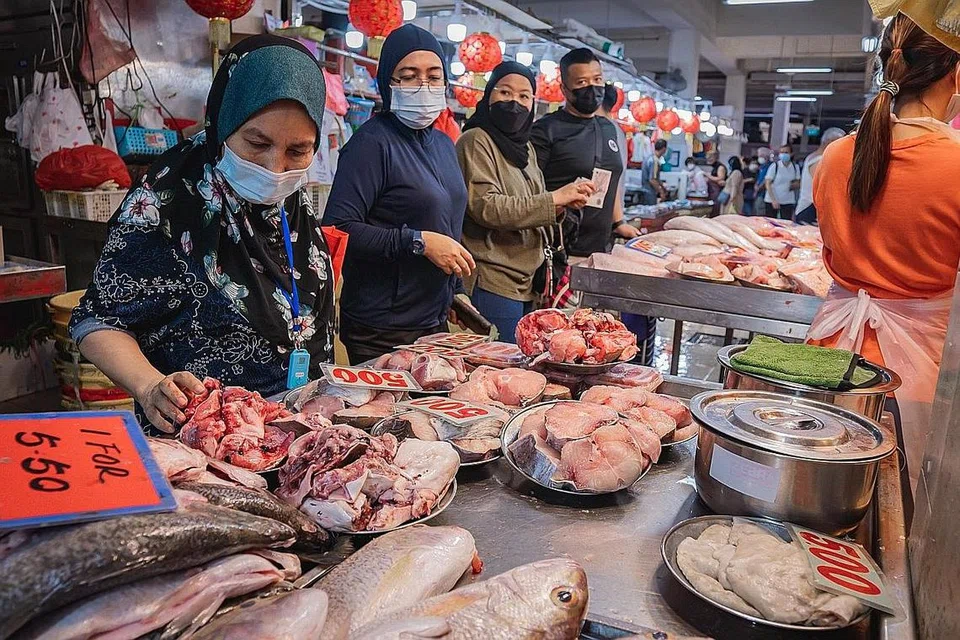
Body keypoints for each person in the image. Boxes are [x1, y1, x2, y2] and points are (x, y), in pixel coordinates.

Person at [69, 35, 336, 432]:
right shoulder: (168, 200)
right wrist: (151, 386)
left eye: (297, 151)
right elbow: (97, 322)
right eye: (256, 142)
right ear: (224, 121)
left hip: (298, 437)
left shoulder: (293, 203)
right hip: (202, 444)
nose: (274, 167)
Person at [805, 13, 960, 489]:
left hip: (828, 358)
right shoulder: (955, 162)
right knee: (896, 521)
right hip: (917, 377)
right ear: (954, 74)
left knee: (815, 498)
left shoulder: (836, 155)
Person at [323, 25, 475, 364]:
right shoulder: (370, 145)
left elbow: (446, 222)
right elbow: (338, 228)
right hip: (382, 326)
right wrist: (417, 242)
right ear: (388, 83)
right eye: (409, 75)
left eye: (434, 76)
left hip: (432, 319)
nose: (424, 85)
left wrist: (455, 293)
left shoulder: (444, 145)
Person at [456, 62, 594, 342]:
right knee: (499, 370)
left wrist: (560, 205)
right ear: (488, 96)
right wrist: (555, 197)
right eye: (504, 93)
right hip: (493, 280)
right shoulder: (475, 141)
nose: (514, 103)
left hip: (528, 280)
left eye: (523, 96)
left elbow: (530, 200)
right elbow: (486, 207)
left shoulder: (526, 147)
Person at [531, 47, 638, 263]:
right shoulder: (545, 130)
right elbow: (530, 189)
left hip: (601, 250)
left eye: (597, 79)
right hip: (559, 252)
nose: (591, 87)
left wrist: (619, 223)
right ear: (565, 89)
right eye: (581, 82)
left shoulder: (607, 128)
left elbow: (610, 180)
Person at [795, 127, 846, 224]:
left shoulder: (812, 156)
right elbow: (824, 188)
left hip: (810, 208)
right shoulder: (820, 160)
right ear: (831, 142)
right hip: (810, 209)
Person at [763, 144, 800, 220]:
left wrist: (795, 185)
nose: (783, 154)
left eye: (786, 152)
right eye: (781, 152)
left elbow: (798, 182)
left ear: (791, 154)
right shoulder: (775, 166)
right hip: (772, 200)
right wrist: (773, 200)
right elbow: (768, 183)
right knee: (770, 223)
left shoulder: (795, 167)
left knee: (785, 223)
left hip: (787, 200)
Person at [640, 139, 669, 204]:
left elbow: (656, 178)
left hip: (645, 190)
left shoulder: (648, 158)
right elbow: (652, 180)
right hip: (649, 192)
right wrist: (661, 192)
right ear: (664, 149)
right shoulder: (654, 161)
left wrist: (663, 188)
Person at [704, 150, 727, 217]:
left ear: (715, 157)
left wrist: (707, 175)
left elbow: (720, 178)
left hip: (717, 192)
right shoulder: (714, 167)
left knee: (716, 209)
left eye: (710, 158)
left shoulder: (720, 167)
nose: (709, 160)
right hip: (712, 191)